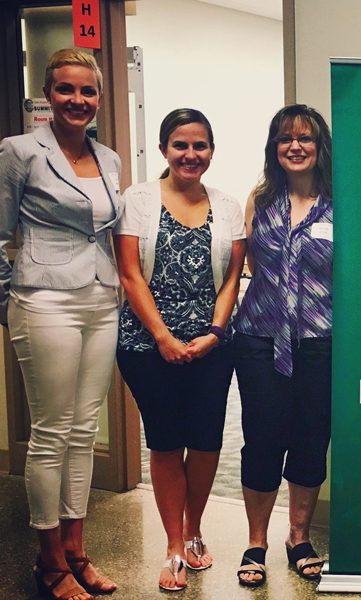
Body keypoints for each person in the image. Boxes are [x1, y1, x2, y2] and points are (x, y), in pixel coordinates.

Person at [0, 49, 121, 600]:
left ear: (98, 98)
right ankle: (48, 560)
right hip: (43, 297)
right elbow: (0, 236)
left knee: (83, 428)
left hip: (102, 297)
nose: (78, 100)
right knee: (50, 435)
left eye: (87, 92)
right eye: (67, 90)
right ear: (49, 94)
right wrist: (9, 302)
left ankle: (77, 550)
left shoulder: (110, 159)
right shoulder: (19, 151)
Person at [114, 108, 246, 592]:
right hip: (147, 345)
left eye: (201, 145)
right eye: (181, 145)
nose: (191, 154)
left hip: (212, 345)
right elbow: (130, 273)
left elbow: (233, 276)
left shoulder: (228, 205)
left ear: (211, 150)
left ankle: (194, 532)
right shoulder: (139, 200)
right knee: (166, 441)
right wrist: (163, 337)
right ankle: (173, 544)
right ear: (166, 148)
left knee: (207, 440)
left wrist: (215, 331)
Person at [233, 104, 332, 587]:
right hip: (258, 337)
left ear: (320, 147)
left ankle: (299, 536)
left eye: (306, 138)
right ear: (275, 147)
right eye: (286, 138)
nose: (295, 146)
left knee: (312, 438)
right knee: (263, 439)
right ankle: (257, 541)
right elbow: (242, 265)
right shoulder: (260, 199)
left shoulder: (340, 203)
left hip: (320, 340)